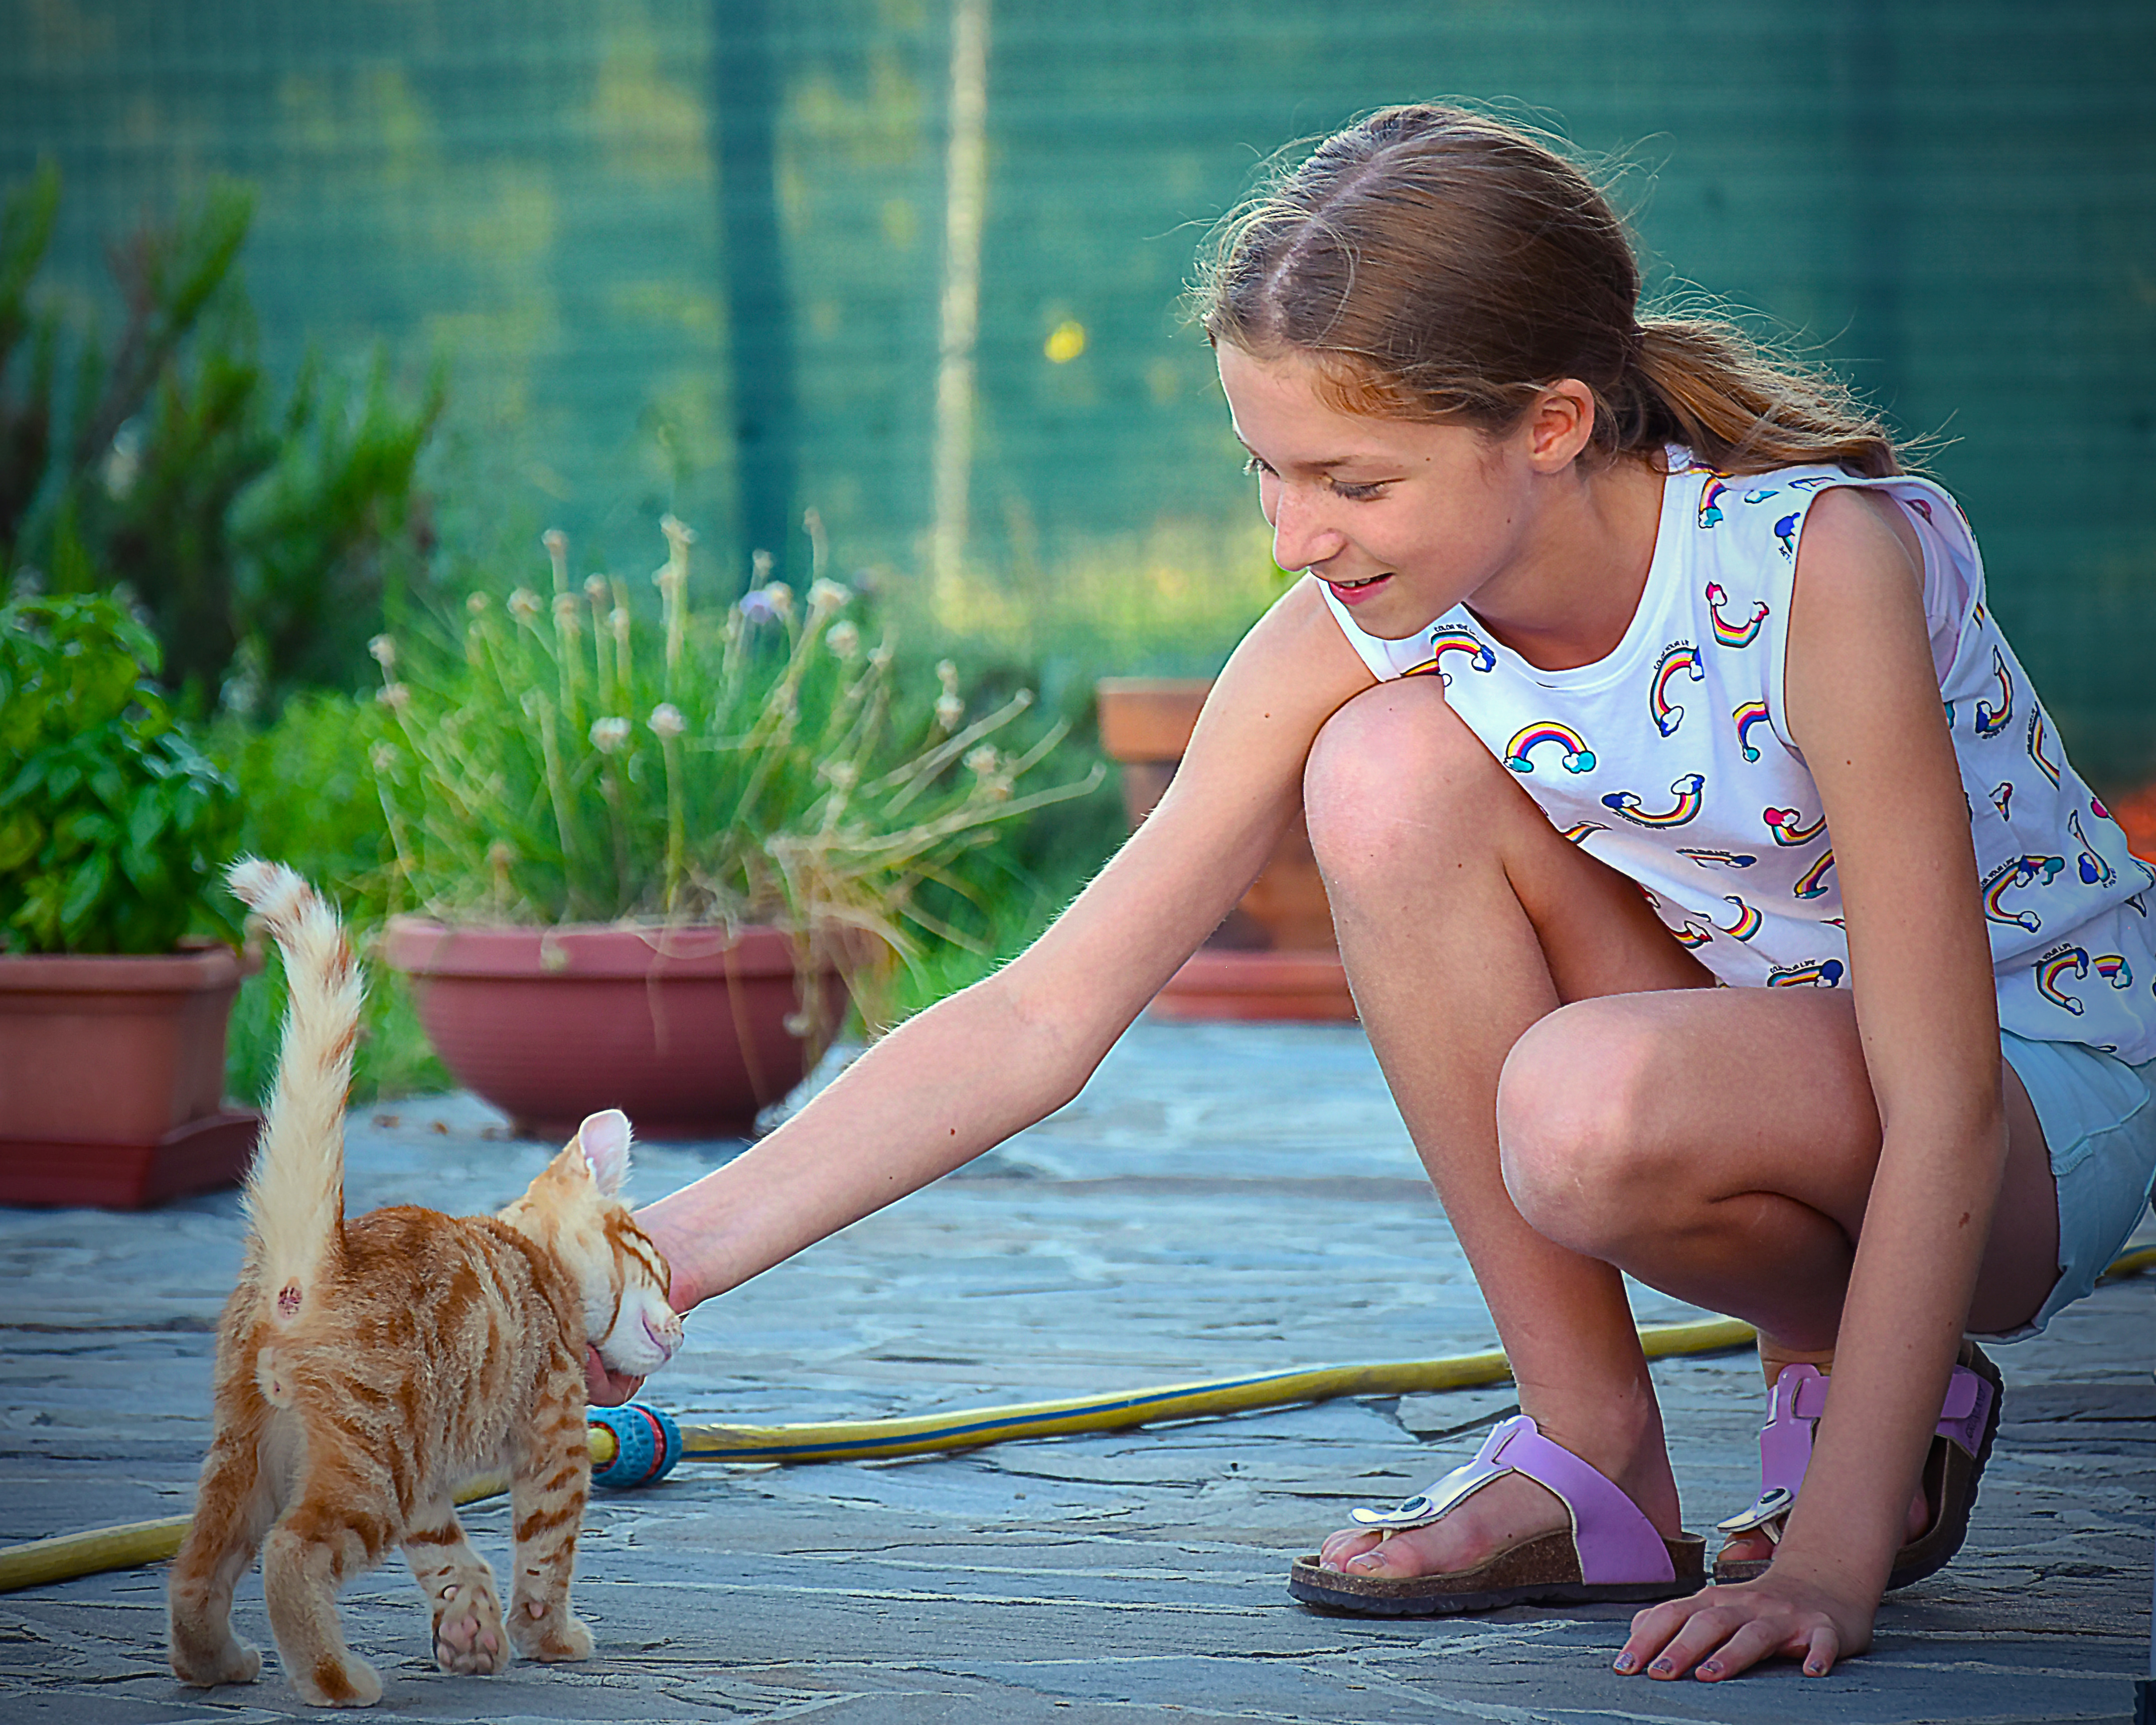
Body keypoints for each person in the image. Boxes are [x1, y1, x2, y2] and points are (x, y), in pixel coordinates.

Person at [595, 105, 2156, 1683]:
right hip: (1750, 1062)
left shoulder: (1817, 571)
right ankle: (1591, 1457)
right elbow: (1047, 1009)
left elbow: (1943, 1094)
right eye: (1265, 471)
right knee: (1384, 772)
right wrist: (640, 1263)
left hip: (2027, 1099)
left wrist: (1831, 1561)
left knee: (1580, 1107)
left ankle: (1869, 1389)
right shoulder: (1379, 614)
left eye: (1349, 479)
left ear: (1550, 425)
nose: (1292, 536)